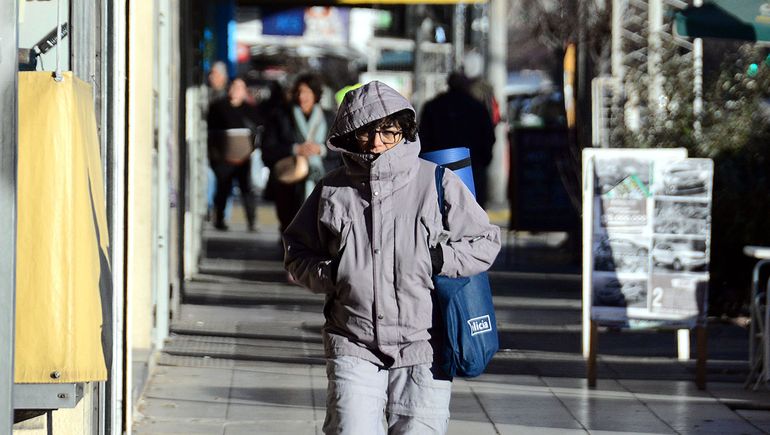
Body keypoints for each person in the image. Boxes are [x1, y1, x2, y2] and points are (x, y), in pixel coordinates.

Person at [283, 81, 501, 435]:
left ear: (404, 129)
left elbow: (486, 241)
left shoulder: (437, 182)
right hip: (352, 340)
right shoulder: (332, 190)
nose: (378, 143)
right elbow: (296, 251)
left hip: (425, 344)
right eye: (366, 134)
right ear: (350, 135)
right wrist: (334, 272)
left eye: (388, 131)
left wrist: (438, 259)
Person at [261, 73, 336, 234]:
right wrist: (295, 149)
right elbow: (268, 148)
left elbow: (340, 150)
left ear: (316, 95)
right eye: (299, 92)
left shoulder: (329, 118)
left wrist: (320, 149)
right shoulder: (281, 116)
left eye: (307, 92)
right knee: (289, 224)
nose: (302, 97)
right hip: (289, 182)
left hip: (321, 181)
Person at [419, 71, 496, 209]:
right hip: (472, 165)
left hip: (439, 164)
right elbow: (488, 136)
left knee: (441, 206)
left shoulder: (433, 106)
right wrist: (484, 160)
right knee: (473, 208)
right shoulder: (477, 107)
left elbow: (423, 137)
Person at [207, 77, 260, 231]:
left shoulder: (250, 110)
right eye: (233, 87)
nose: (235, 91)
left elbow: (259, 128)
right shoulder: (217, 107)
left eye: (239, 88)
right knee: (222, 189)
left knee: (247, 190)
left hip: (244, 158)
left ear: (245, 91)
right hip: (223, 158)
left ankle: (252, 221)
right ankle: (220, 219)